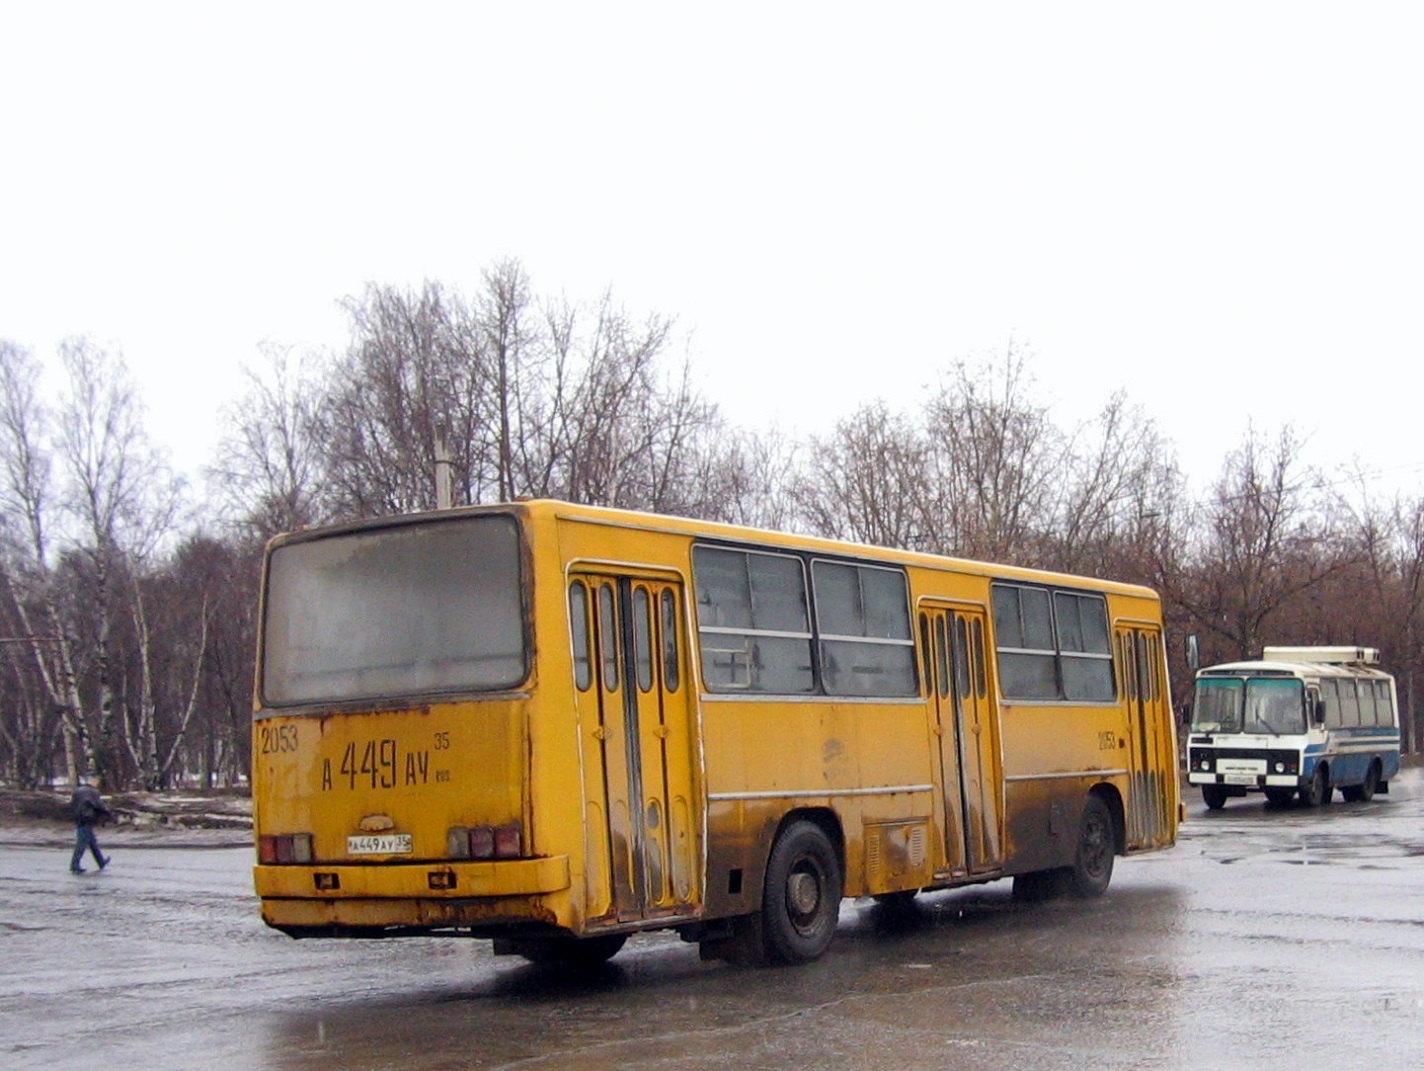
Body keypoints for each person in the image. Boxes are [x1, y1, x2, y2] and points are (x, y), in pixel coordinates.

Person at [69, 777, 112, 874]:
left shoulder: (77, 791)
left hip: (79, 818)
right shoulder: (94, 792)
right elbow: (98, 805)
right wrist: (108, 814)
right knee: (82, 843)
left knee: (92, 842)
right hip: (88, 818)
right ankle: (74, 865)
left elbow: (72, 805)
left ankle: (101, 862)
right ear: (95, 782)